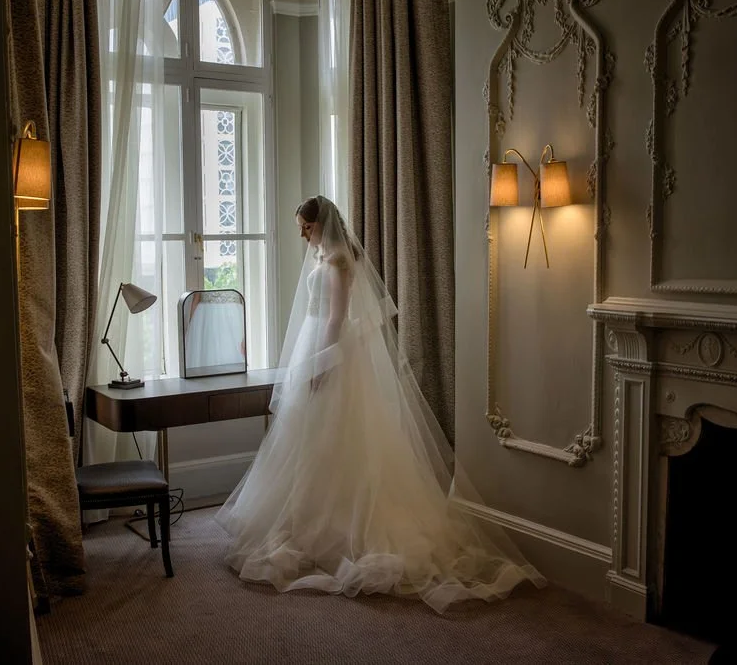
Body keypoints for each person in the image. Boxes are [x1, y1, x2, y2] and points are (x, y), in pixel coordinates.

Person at [215, 195, 545, 613]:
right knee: (310, 442)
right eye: (300, 226)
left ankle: (332, 529)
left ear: (323, 224)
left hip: (329, 349)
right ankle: (305, 522)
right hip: (315, 344)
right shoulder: (325, 255)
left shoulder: (337, 260)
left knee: (337, 439)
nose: (302, 233)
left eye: (306, 226)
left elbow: (336, 318)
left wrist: (324, 364)